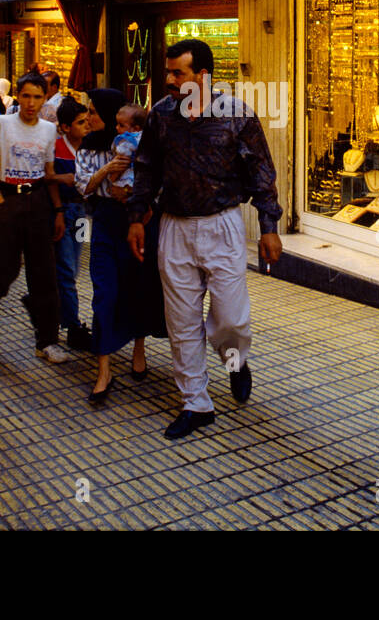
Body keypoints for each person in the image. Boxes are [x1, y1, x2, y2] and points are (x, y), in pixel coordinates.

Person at [127, 39, 283, 440]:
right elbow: (145, 168)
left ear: (203, 76)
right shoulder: (161, 116)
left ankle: (235, 360)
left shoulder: (237, 116)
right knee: (181, 321)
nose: (169, 81)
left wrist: (269, 227)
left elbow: (263, 174)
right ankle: (196, 403)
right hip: (174, 226)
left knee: (232, 317)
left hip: (223, 224)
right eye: (169, 72)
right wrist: (136, 218)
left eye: (178, 73)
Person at [0, 72, 69, 363]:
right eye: (26, 96)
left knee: (44, 275)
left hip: (39, 201)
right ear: (18, 96)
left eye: (37, 97)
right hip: (8, 200)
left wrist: (58, 211)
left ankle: (47, 340)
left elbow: (49, 173)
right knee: (0, 273)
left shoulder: (48, 130)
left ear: (45, 99)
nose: (31, 103)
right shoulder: (2, 123)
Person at [77, 89, 164, 402]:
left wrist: (134, 196)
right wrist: (107, 171)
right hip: (104, 223)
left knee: (137, 286)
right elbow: (83, 186)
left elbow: (158, 182)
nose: (89, 118)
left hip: (138, 222)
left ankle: (138, 349)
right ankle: (104, 369)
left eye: (94, 113)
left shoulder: (143, 145)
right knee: (105, 292)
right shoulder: (88, 146)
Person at [48, 97, 94, 353]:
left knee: (74, 267)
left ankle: (61, 317)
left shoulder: (89, 147)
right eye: (80, 122)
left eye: (87, 120)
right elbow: (49, 180)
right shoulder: (55, 148)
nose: (86, 126)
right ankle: (72, 325)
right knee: (66, 269)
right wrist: (57, 210)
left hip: (82, 213)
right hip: (64, 211)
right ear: (65, 127)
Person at [109, 103, 146, 189]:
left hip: (129, 178)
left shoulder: (128, 142)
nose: (117, 128)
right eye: (117, 124)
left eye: (121, 125)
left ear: (136, 128)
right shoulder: (147, 138)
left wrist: (112, 178)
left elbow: (121, 161)